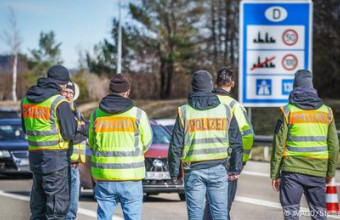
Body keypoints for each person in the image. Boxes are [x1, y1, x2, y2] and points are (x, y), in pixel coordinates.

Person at [168, 70, 243, 220]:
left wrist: (175, 173)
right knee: (220, 215)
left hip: (193, 171)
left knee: (195, 216)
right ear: (211, 86)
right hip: (218, 169)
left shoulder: (184, 112)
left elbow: (175, 146)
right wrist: (235, 168)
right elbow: (236, 142)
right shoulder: (226, 110)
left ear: (193, 87)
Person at [270, 69, 339, 220]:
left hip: (292, 172)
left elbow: (278, 145)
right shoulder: (327, 112)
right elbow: (334, 146)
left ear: (295, 87)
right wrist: (330, 172)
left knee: (291, 214)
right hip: (317, 171)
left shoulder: (289, 111)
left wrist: (275, 174)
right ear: (312, 87)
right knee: (319, 215)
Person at [88, 74, 153, 220]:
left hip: (104, 176)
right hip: (130, 177)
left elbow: (92, 143)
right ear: (127, 92)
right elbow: (147, 142)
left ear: (109, 91)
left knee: (104, 216)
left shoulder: (96, 115)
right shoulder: (138, 114)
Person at [21, 65, 77, 219]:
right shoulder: (59, 102)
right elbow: (70, 133)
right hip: (56, 162)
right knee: (56, 212)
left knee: (38, 209)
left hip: (36, 160)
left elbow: (26, 129)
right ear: (63, 84)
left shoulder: (26, 100)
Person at [203, 67, 254, 220]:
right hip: (226, 165)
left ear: (215, 83)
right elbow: (246, 136)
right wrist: (239, 163)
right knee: (222, 209)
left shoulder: (203, 103)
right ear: (232, 83)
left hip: (202, 163)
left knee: (210, 207)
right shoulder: (234, 106)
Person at [63, 81, 88, 220]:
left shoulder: (77, 112)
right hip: (62, 164)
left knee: (73, 207)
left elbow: (87, 130)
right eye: (66, 92)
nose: (68, 95)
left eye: (71, 93)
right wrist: (80, 130)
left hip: (75, 166)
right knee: (61, 205)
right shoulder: (59, 110)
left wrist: (79, 129)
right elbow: (69, 134)